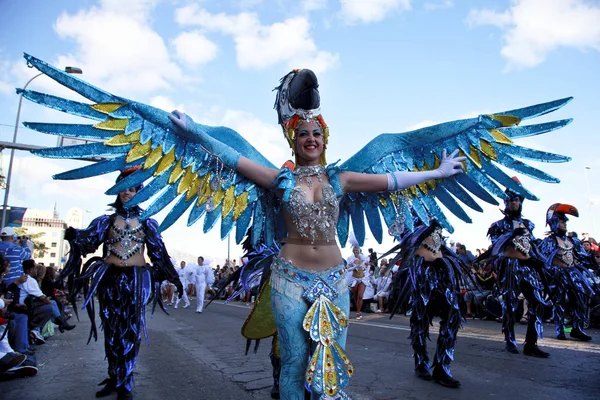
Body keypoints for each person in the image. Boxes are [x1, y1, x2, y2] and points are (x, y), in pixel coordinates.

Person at [23, 56, 572, 400]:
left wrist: (443, 167)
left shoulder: (345, 176)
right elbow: (230, 157)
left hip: (333, 280)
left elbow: (397, 179)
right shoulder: (276, 182)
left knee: (331, 367)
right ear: (293, 136)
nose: (310, 135)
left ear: (324, 136)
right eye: (301, 129)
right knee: (291, 363)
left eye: (317, 130)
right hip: (287, 278)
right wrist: (187, 133)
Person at [60, 167, 183, 400]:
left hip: (135, 282)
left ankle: (125, 382)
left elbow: (159, 254)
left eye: (132, 188)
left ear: (139, 192)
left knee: (131, 331)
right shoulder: (105, 221)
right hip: (110, 281)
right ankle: (114, 377)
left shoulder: (148, 222)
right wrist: (74, 235)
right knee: (112, 331)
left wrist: (170, 276)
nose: (127, 192)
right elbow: (87, 244)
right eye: (123, 188)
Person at [386, 221, 471, 388]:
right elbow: (402, 238)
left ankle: (442, 367)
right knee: (420, 321)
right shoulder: (410, 217)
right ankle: (420, 362)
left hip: (442, 274)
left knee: (452, 317)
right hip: (421, 275)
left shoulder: (436, 220)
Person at [484, 177, 550, 358]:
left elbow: (532, 245)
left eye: (517, 199)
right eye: (511, 200)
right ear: (505, 202)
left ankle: (531, 343)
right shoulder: (498, 226)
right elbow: (497, 247)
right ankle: (510, 339)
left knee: (537, 302)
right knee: (510, 304)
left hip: (528, 267)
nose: (514, 202)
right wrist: (511, 235)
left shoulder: (528, 224)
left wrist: (542, 261)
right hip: (510, 267)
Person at [538, 204, 598, 341]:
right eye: (561, 221)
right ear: (553, 223)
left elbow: (584, 257)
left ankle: (577, 328)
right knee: (559, 302)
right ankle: (560, 330)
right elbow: (543, 260)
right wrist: (551, 272)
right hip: (558, 276)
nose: (565, 223)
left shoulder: (573, 241)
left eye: (565, 221)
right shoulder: (549, 242)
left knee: (580, 300)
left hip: (573, 275)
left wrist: (592, 259)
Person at [346, 244, 371, 319]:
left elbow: (368, 267)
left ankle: (358, 312)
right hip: (354, 278)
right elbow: (348, 268)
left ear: (359, 250)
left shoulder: (364, 258)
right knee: (356, 295)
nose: (355, 251)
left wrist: (366, 272)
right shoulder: (350, 258)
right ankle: (357, 308)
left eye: (356, 250)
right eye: (354, 250)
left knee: (360, 296)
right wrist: (354, 266)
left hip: (363, 278)